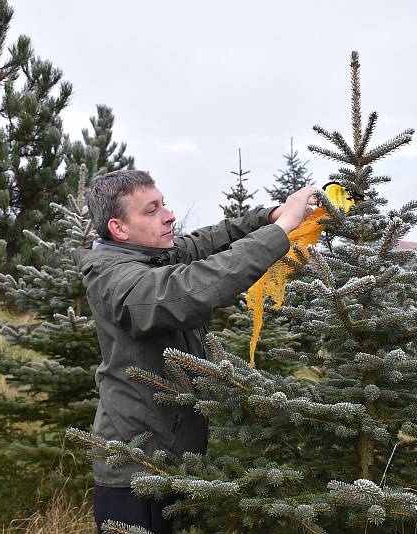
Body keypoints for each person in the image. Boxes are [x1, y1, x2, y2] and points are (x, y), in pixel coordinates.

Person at [79, 169, 316, 533]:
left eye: (164, 204)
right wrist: (280, 230)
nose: (168, 215)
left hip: (173, 458)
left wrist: (267, 216)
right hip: (136, 470)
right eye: (151, 210)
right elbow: (190, 290)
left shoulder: (153, 254)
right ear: (119, 229)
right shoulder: (117, 279)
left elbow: (208, 241)